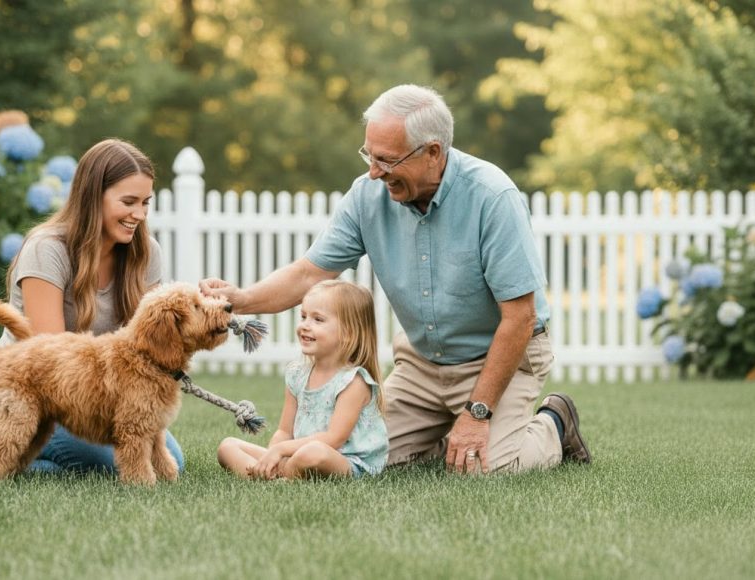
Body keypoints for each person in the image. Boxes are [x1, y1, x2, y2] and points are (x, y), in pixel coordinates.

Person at [202, 84, 590, 475]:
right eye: (369, 156)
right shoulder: (366, 196)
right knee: (364, 457)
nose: (373, 172)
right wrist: (242, 299)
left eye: (386, 160)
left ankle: (554, 424)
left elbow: (520, 317)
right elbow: (309, 273)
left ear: (433, 152)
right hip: (422, 363)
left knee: (487, 469)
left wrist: (477, 413)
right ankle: (443, 433)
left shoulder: (492, 197)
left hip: (497, 360)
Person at [0, 138, 184, 475]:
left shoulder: (146, 253)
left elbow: (147, 348)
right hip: (39, 394)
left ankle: (39, 463)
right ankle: (20, 457)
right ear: (92, 196)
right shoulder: (47, 249)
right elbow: (50, 356)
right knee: (118, 464)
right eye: (128, 202)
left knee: (170, 462)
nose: (139, 215)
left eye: (145, 202)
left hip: (107, 396)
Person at [217, 280, 388, 480]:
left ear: (348, 333)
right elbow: (284, 431)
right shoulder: (297, 374)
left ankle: (279, 477)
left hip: (346, 461)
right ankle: (274, 476)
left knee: (314, 452)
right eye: (304, 316)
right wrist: (273, 454)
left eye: (318, 319)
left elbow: (333, 439)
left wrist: (282, 451)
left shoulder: (353, 382)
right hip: (297, 455)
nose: (305, 326)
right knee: (228, 446)